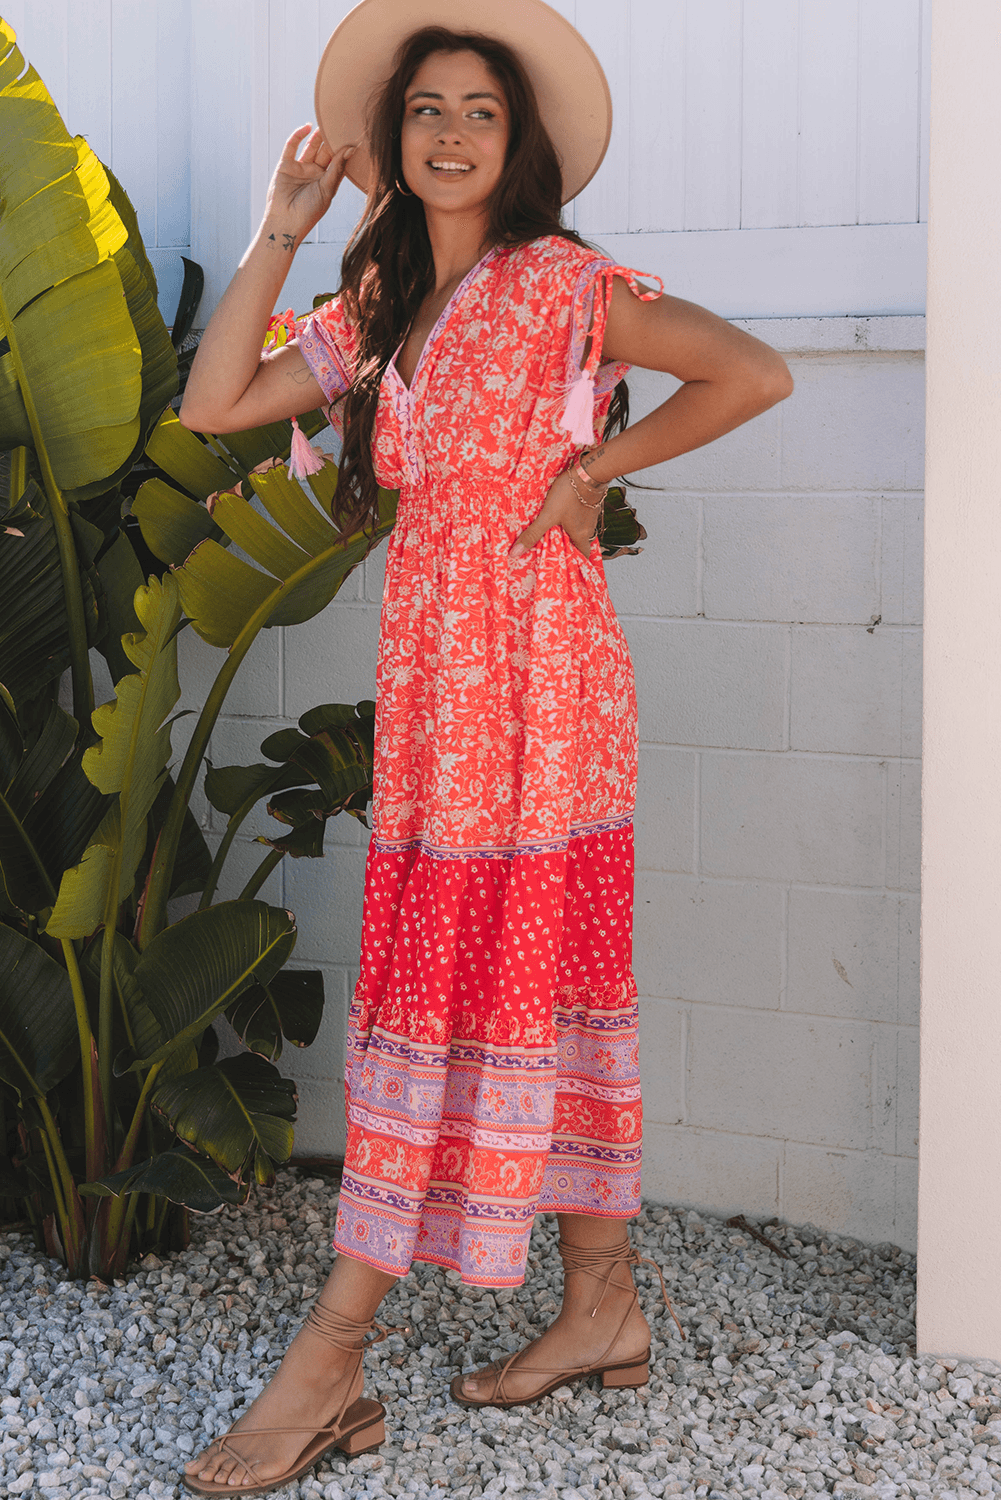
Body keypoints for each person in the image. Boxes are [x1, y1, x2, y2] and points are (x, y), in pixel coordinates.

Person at [178, 1, 792, 1493]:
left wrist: (598, 467)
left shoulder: (560, 283)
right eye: (427, 110)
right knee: (512, 976)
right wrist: (280, 226)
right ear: (393, 141)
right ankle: (600, 1309)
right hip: (443, 697)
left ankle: (331, 1360)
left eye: (480, 112)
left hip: (546, 687)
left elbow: (752, 371)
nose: (450, 132)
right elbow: (213, 407)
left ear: (517, 148)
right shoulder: (379, 305)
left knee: (508, 974)